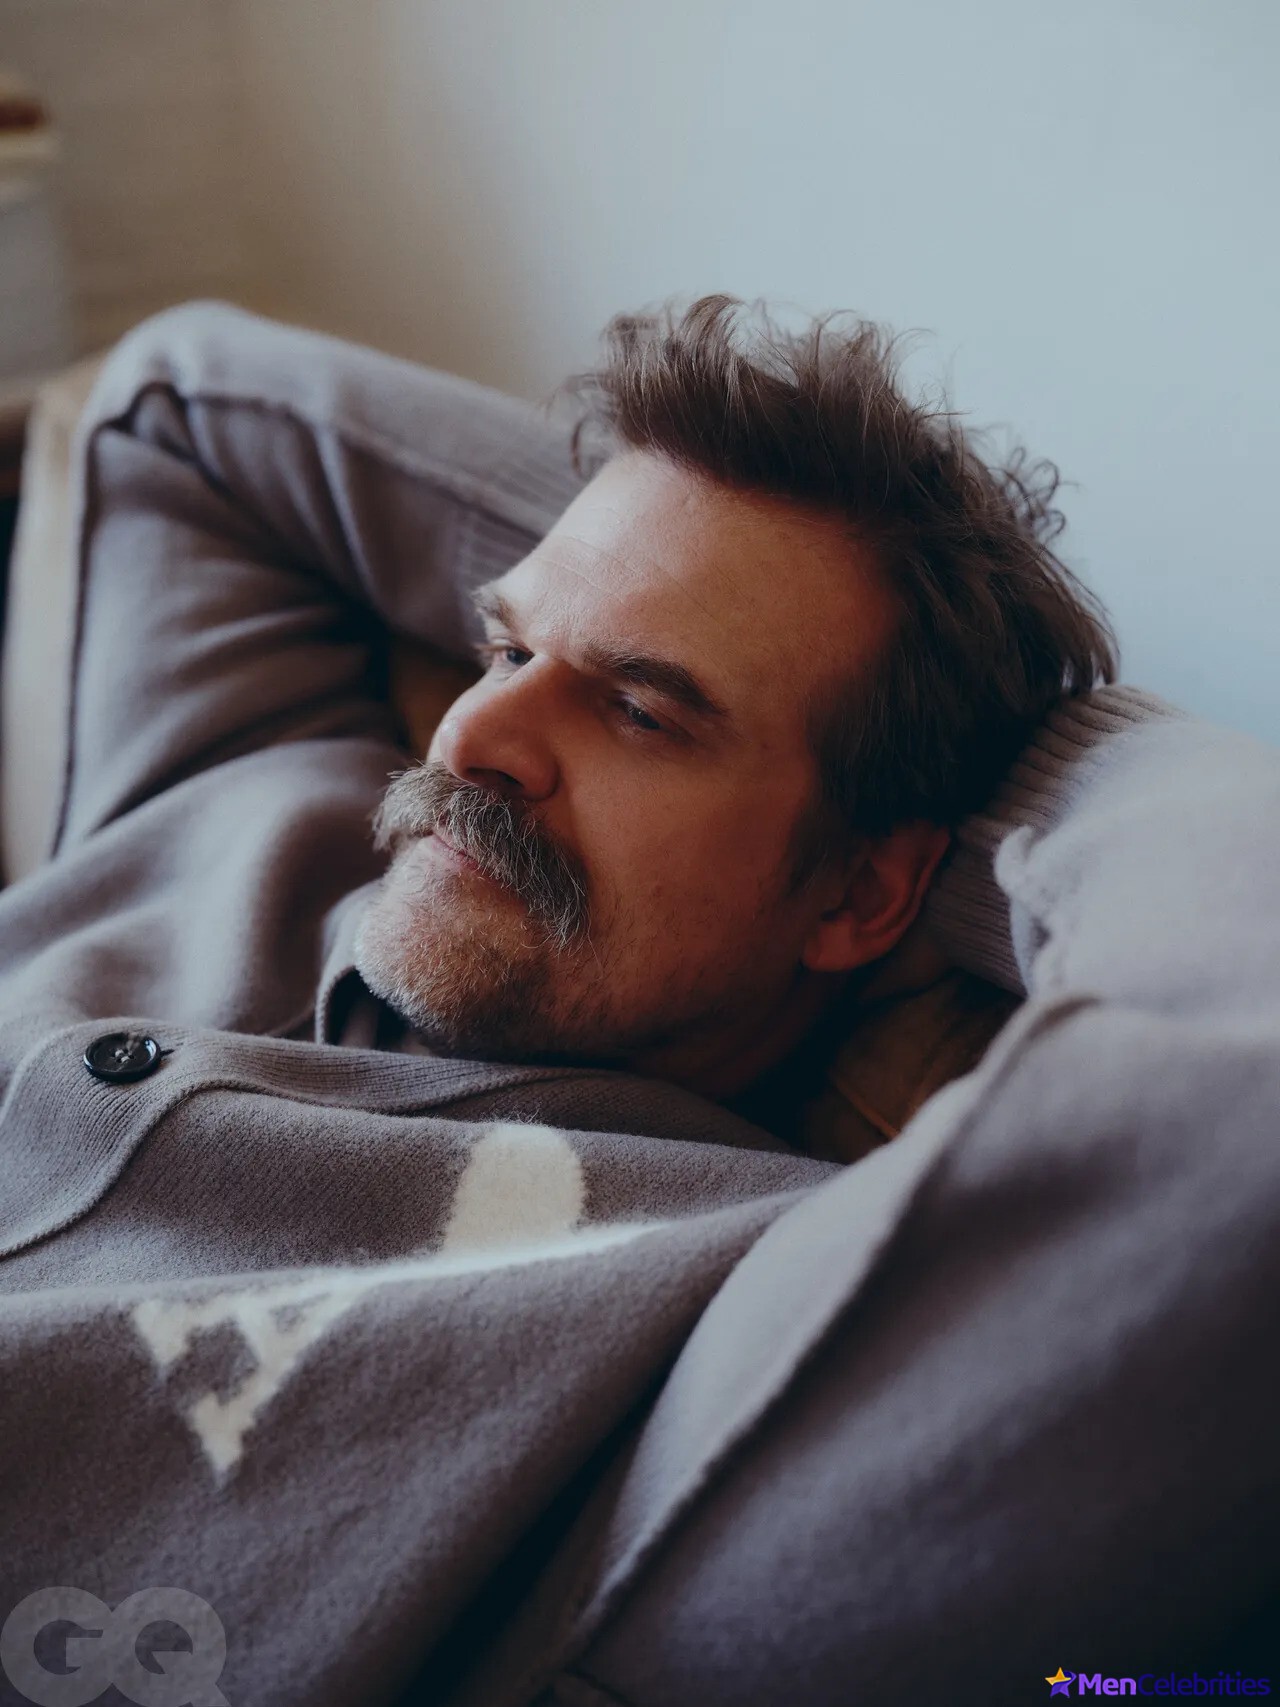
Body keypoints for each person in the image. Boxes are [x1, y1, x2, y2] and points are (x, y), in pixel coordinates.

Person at [0, 297, 1274, 1706]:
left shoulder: (734, 1314)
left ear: (863, 894)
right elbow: (183, 401)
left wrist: (1012, 783)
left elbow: (1247, 1076)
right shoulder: (260, 793)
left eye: (641, 712)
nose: (473, 739)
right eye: (502, 649)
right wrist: (644, 553)